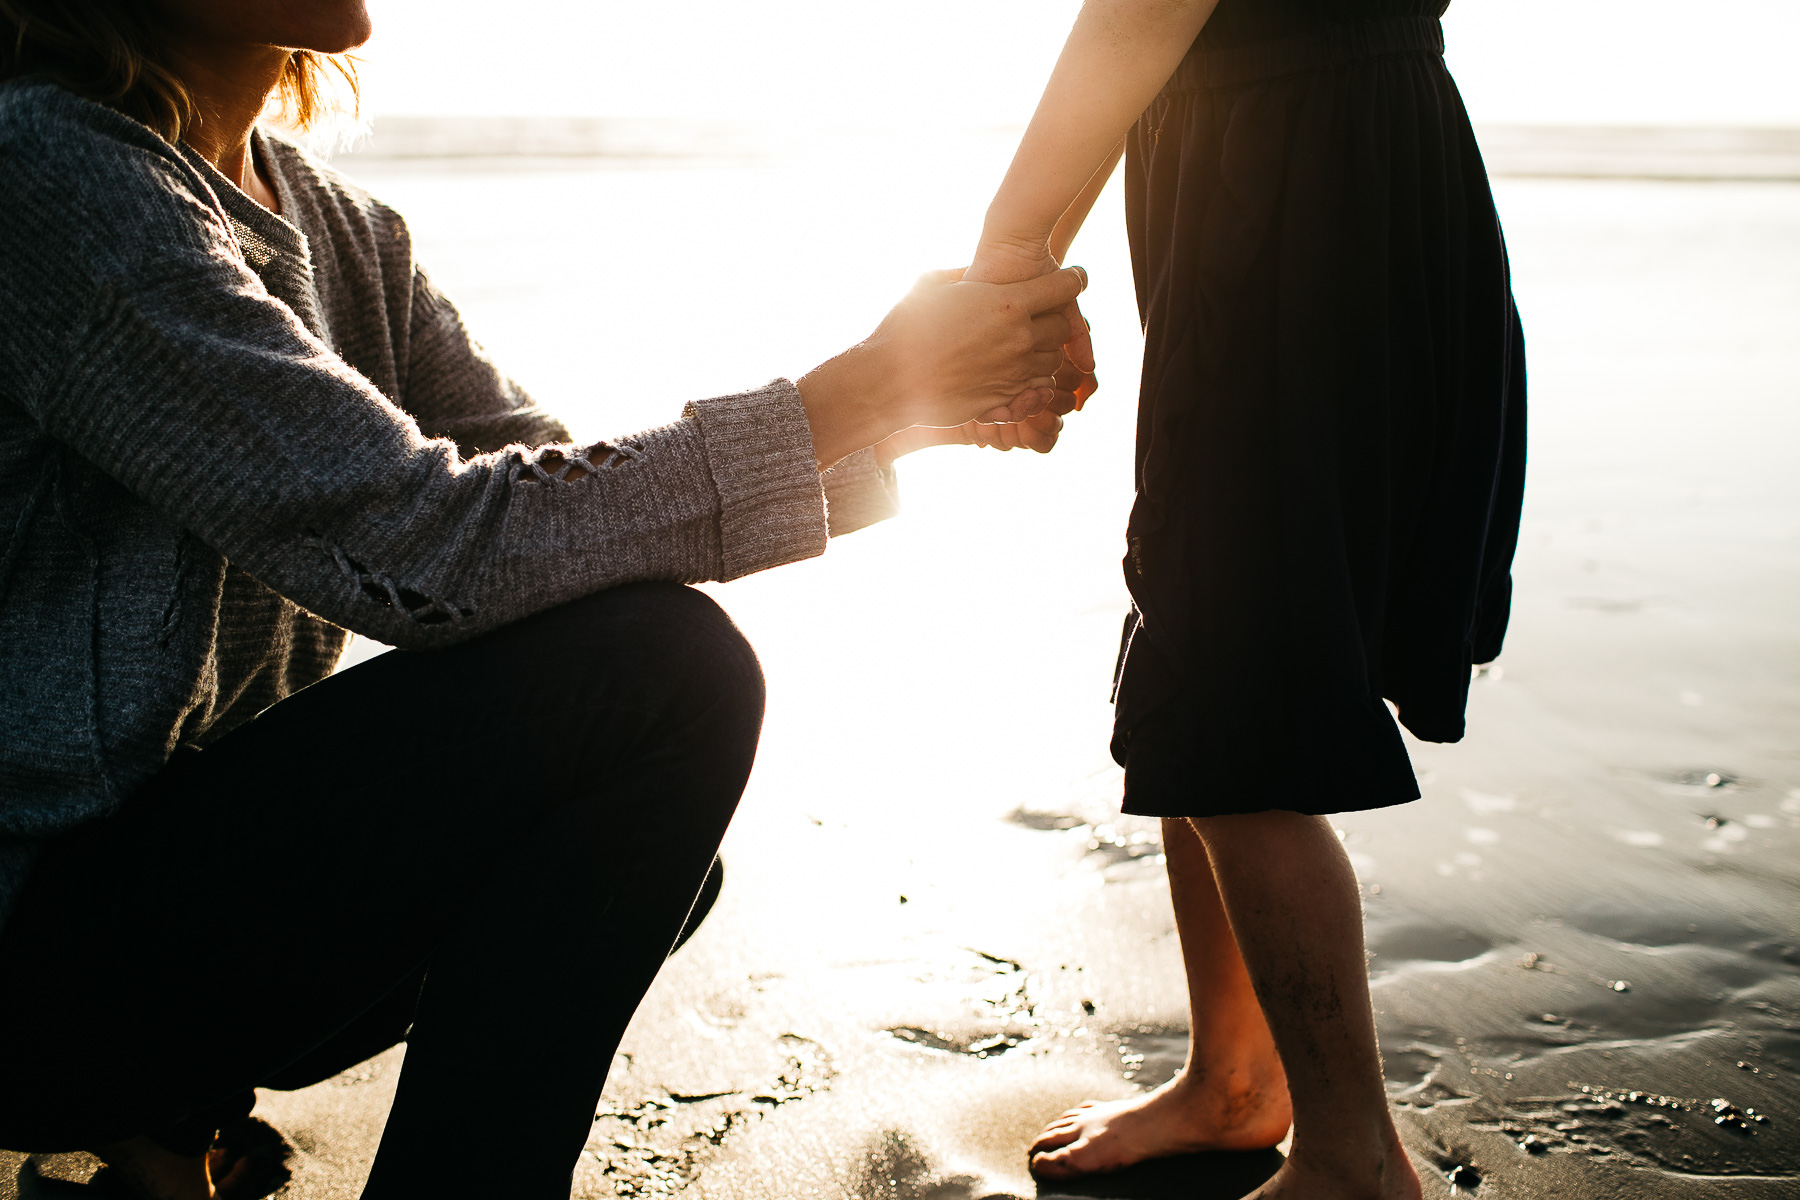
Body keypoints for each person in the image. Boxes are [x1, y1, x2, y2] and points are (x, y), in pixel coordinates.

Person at [0, 2, 1094, 1197]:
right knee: (663, 678)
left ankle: (163, 1109)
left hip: (154, 896)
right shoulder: (53, 173)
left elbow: (549, 510)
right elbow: (435, 544)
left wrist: (902, 413)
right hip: (27, 934)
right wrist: (860, 385)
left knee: (622, 826)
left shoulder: (336, 227)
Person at [967, 3, 1525, 1198]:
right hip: (1368, 160)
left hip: (1282, 205)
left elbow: (1140, 12)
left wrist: (1007, 265)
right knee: (1207, 627)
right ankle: (1235, 1082)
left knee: (1224, 676)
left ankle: (1351, 1163)